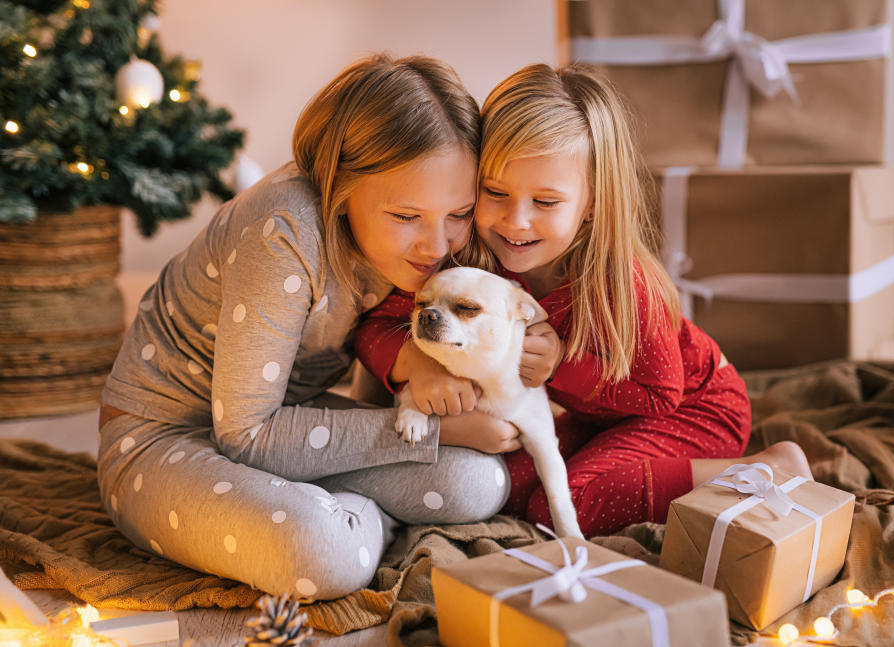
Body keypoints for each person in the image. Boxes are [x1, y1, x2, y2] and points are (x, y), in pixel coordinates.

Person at [96, 54, 515, 601]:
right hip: (162, 439)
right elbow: (246, 437)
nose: (436, 246)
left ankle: (338, 518)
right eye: (407, 216)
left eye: (457, 213)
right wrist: (439, 430)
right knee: (321, 554)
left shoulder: (409, 247)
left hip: (283, 427)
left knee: (480, 484)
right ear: (340, 188)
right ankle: (340, 527)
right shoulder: (285, 232)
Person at [355, 63, 812, 539]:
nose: (516, 221)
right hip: (597, 419)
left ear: (592, 201)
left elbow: (660, 396)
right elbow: (374, 326)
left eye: (546, 202)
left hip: (696, 412)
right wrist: (415, 363)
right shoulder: (472, 267)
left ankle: (763, 469)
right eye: (495, 192)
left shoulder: (623, 285)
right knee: (511, 488)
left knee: (564, 507)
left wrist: (560, 366)